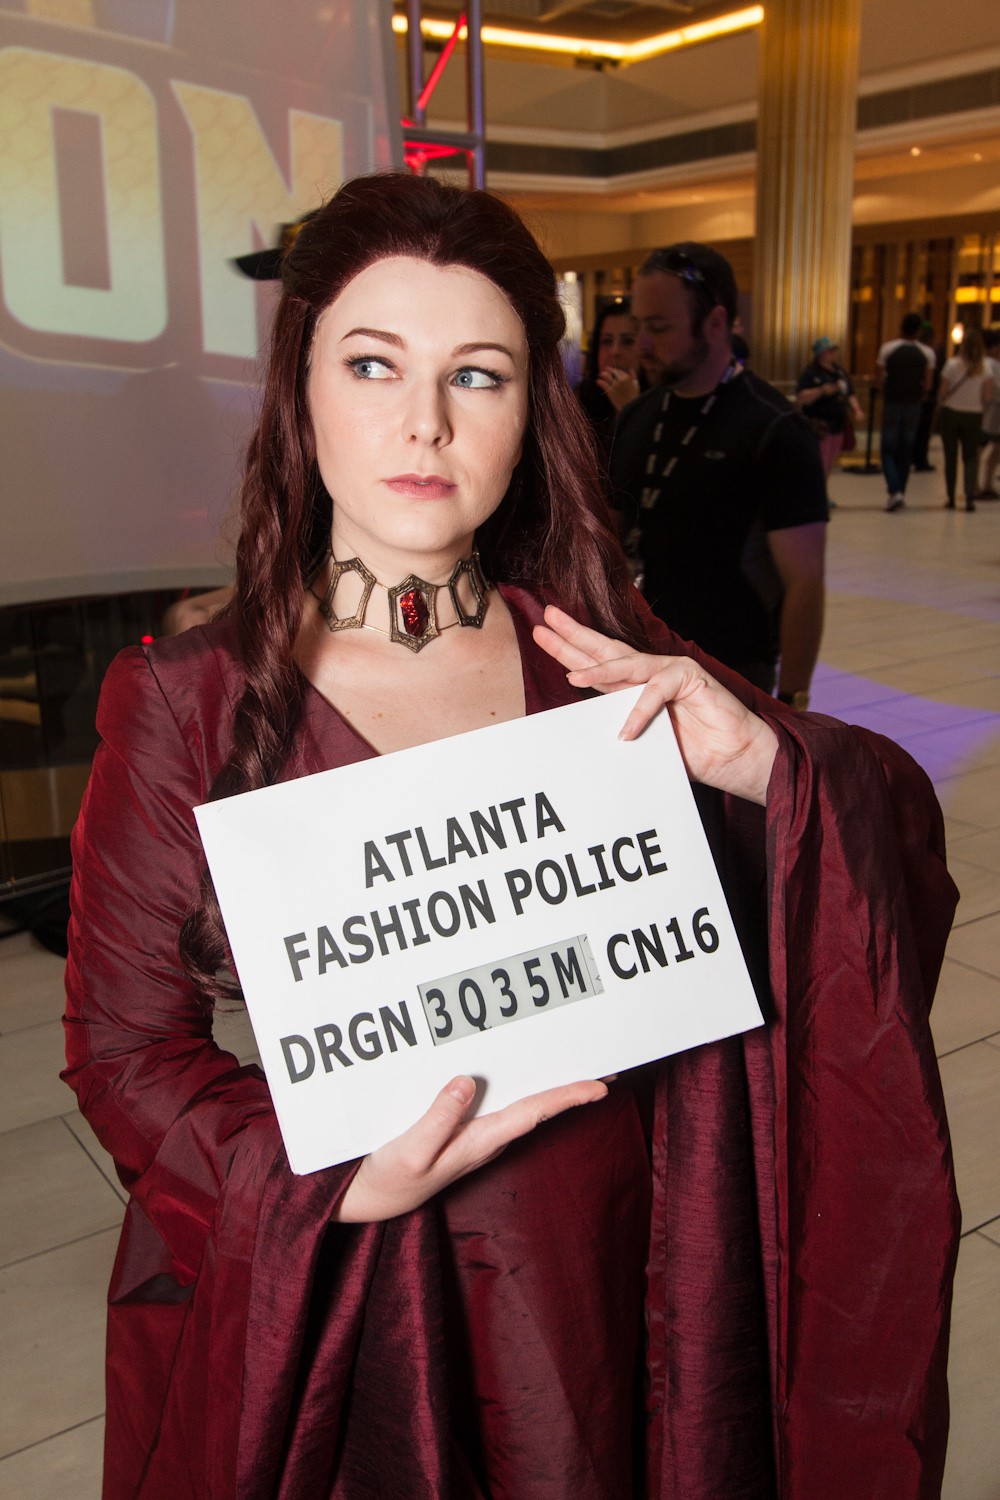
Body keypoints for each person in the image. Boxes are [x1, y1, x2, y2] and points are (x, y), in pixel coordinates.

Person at [63, 172, 959, 1500]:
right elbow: (126, 1054)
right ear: (300, 388)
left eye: (475, 375)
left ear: (531, 408)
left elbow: (875, 847)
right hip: (365, 1299)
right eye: (373, 363)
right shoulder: (185, 696)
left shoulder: (597, 646)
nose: (423, 421)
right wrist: (327, 1187)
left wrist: (764, 765)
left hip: (626, 1269)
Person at [610, 242, 828, 708]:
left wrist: (793, 700)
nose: (642, 345)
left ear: (714, 322)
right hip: (637, 657)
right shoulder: (637, 416)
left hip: (730, 670)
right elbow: (608, 533)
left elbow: (805, 581)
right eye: (638, 327)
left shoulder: (773, 428)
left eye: (659, 328)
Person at [875, 312, 936, 511]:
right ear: (919, 331)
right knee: (906, 447)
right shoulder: (927, 353)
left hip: (893, 401)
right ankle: (901, 489)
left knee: (888, 448)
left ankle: (894, 490)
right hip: (913, 403)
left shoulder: (888, 349)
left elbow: (879, 378)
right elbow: (928, 384)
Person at [575, 297, 643, 463]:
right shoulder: (580, 401)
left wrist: (631, 410)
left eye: (628, 341)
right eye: (606, 341)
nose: (614, 351)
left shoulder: (659, 403)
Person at [935, 327, 995, 511]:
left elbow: (943, 391)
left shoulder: (952, 364)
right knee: (970, 458)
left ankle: (951, 498)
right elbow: (987, 396)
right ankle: (969, 497)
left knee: (950, 457)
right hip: (974, 415)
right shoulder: (985, 367)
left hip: (951, 413)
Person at [795, 336, 864, 479]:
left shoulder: (840, 371)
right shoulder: (812, 373)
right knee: (821, 460)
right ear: (821, 354)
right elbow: (800, 396)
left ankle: (822, 486)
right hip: (820, 425)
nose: (833, 353)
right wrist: (821, 391)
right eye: (829, 351)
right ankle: (817, 487)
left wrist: (856, 409)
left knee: (830, 459)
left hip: (837, 423)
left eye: (834, 350)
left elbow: (850, 393)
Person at [912, 321, 943, 472]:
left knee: (913, 429)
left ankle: (912, 458)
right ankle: (920, 460)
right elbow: (934, 377)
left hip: (913, 396)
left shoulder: (914, 351)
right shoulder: (932, 353)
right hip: (925, 397)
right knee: (923, 430)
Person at [975, 325, 1000, 499]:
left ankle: (983, 484)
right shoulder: (989, 364)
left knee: (984, 448)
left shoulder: (982, 363)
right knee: (982, 447)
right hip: (989, 412)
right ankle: (982, 484)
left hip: (988, 411)